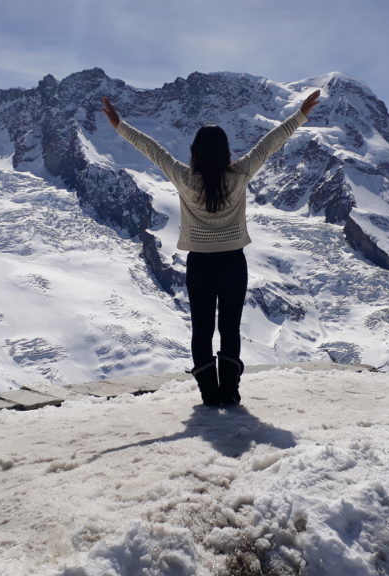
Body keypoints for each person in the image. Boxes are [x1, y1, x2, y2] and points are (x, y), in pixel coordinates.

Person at [102, 89, 321, 406]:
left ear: (195, 151)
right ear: (225, 150)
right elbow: (269, 145)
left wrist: (119, 125)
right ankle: (230, 391)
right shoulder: (240, 173)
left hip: (200, 264)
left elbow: (152, 151)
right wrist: (300, 115)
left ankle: (209, 392)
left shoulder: (183, 177)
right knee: (230, 328)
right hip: (233, 263)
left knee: (202, 330)